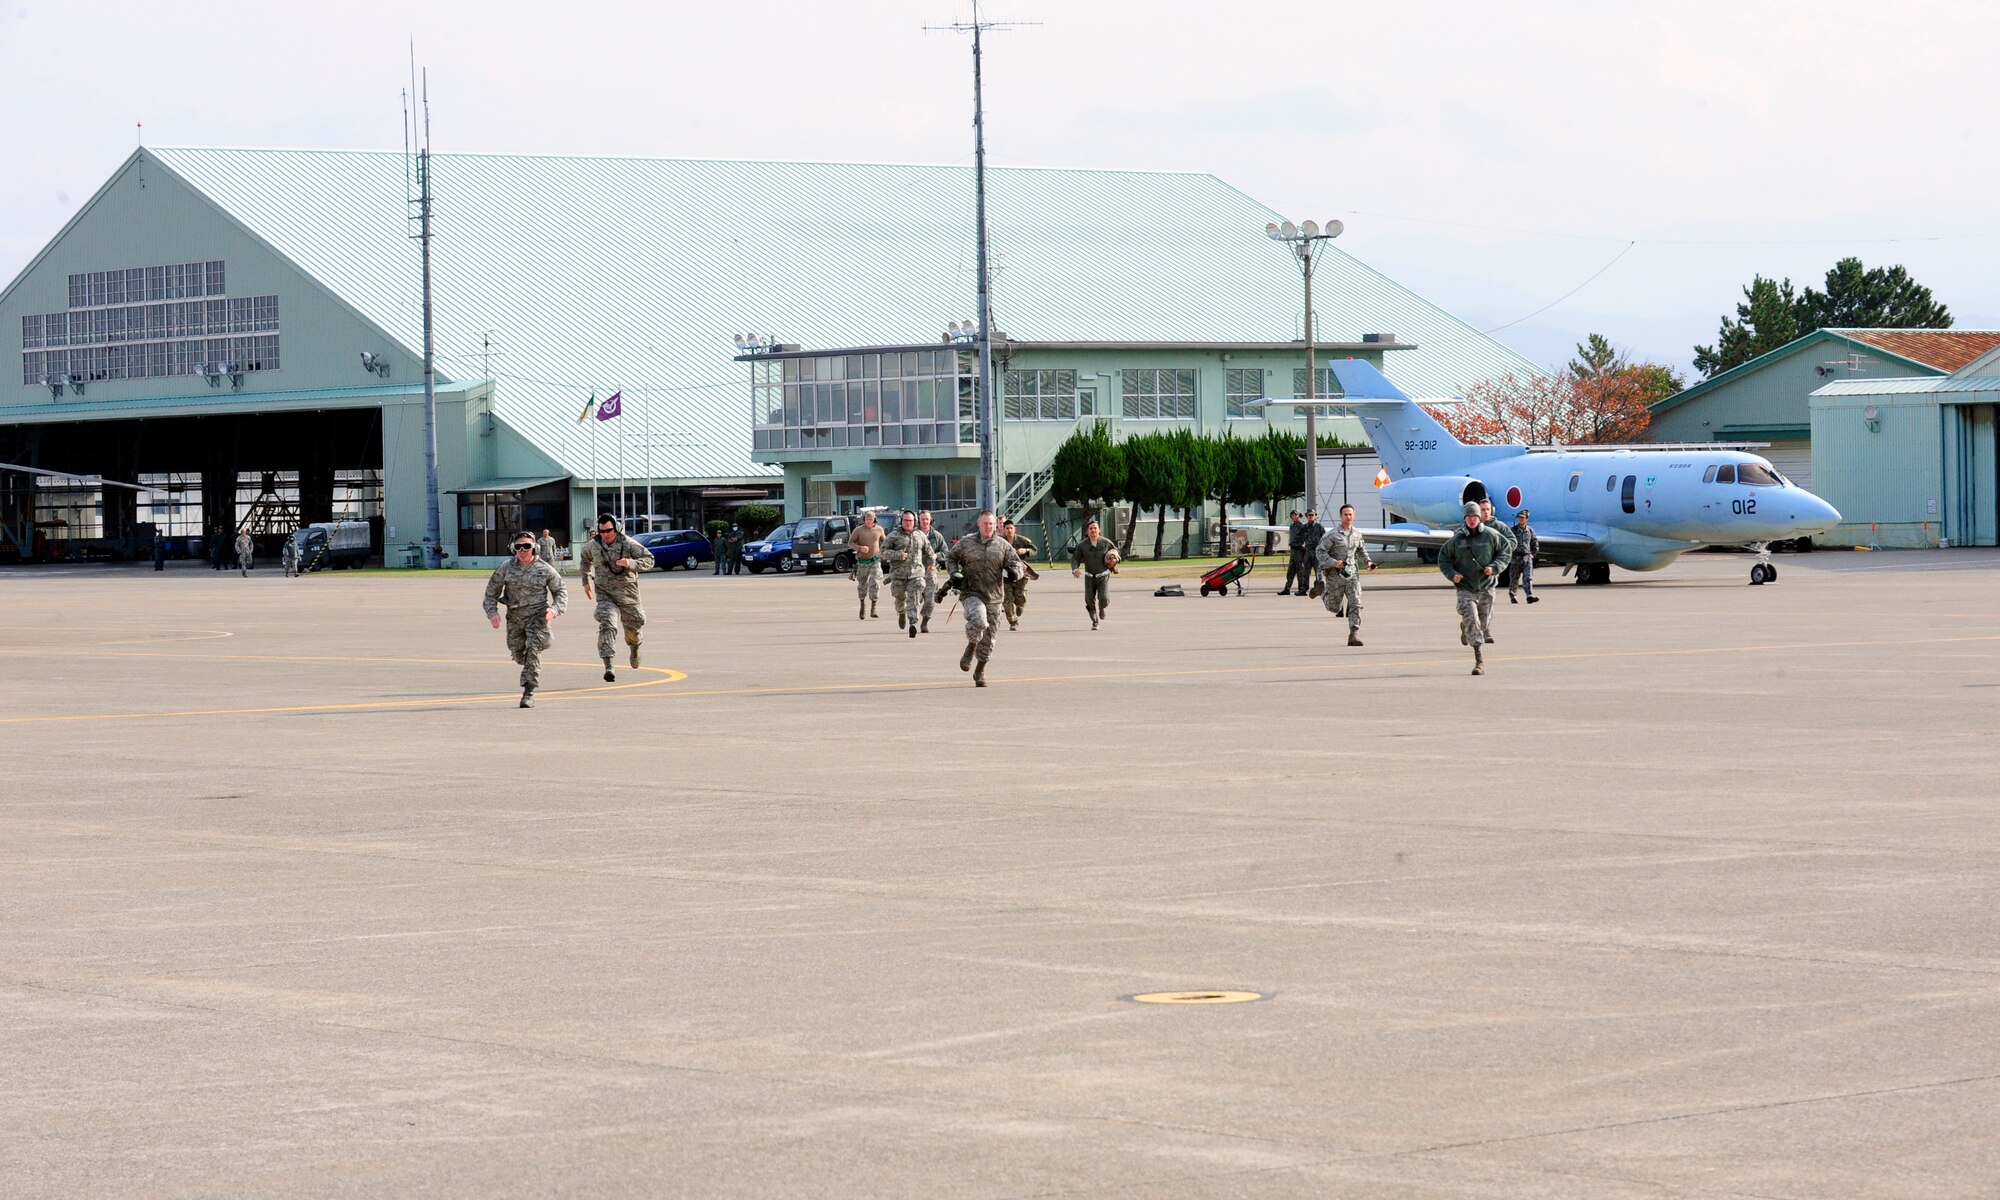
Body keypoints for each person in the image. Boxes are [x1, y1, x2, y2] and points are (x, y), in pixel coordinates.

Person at [483, 532, 567, 708]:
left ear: (535, 548)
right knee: (519, 655)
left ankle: (528, 692)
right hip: (515, 618)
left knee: (533, 650)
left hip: (538, 617)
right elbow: (491, 591)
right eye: (518, 547)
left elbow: (560, 591)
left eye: (526, 546)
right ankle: (533, 653)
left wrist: (554, 609)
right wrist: (492, 612)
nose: (522, 551)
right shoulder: (506, 567)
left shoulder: (545, 569)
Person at [942, 509, 1024, 687]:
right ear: (979, 524)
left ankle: (980, 670)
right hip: (971, 592)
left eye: (991, 524)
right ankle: (971, 646)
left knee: (990, 637)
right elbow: (950, 557)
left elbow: (1017, 563)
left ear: (996, 526)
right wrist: (954, 573)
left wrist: (1014, 572)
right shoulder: (967, 542)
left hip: (994, 596)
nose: (988, 527)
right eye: (985, 524)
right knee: (979, 621)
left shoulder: (1002, 545)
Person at [578, 513, 654, 682]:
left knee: (635, 626)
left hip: (628, 593)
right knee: (608, 624)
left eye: (609, 530)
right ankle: (609, 665)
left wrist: (631, 563)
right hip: (605, 594)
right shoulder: (592, 546)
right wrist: (585, 581)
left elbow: (650, 559)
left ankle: (634, 647)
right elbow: (584, 560)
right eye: (602, 531)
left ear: (617, 529)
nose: (605, 534)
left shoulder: (628, 543)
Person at [1439, 501, 1507, 675]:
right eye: (1468, 516)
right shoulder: (1457, 540)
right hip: (1466, 587)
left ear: (1479, 517)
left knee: (1483, 622)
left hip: (1486, 587)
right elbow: (1444, 558)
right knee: (1473, 621)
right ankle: (1479, 661)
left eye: (1474, 516)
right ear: (1464, 518)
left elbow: (1505, 550)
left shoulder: (1491, 535)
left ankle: (1465, 627)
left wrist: (1495, 567)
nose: (1471, 519)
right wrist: (1452, 574)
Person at [1315, 504, 1376, 646]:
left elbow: (1361, 550)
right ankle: (1321, 591)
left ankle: (1353, 634)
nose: (1348, 517)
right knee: (1334, 608)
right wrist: (1333, 562)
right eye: (1345, 514)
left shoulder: (1357, 534)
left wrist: (1368, 562)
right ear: (1340, 516)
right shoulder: (1332, 535)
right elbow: (1320, 552)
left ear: (1354, 516)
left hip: (1351, 575)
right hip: (1334, 575)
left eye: (1350, 514)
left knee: (1356, 602)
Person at [882, 510, 936, 638]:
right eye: (905, 520)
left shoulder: (920, 535)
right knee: (899, 599)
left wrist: (931, 565)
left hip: (916, 574)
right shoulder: (893, 536)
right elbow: (882, 552)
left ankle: (913, 622)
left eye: (910, 521)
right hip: (898, 575)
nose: (908, 523)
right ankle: (901, 612)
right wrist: (897, 555)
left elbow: (930, 551)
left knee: (914, 598)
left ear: (915, 522)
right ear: (901, 521)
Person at [1070, 518, 1119, 630]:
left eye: (1095, 528)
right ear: (1087, 531)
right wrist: (1075, 569)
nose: (1093, 530)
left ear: (1099, 530)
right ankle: (1095, 622)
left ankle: (1102, 608)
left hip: (1103, 576)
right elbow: (1075, 558)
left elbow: (1116, 552)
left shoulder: (1106, 542)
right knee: (1089, 601)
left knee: (1104, 598)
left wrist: (1115, 559)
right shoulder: (1082, 545)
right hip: (1089, 577)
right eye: (1091, 529)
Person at [1478, 499, 1514, 643]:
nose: (1486, 512)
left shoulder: (1499, 527)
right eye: (1482, 509)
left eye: (1488, 509)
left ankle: (1485, 630)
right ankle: (1469, 624)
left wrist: (1499, 554)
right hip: (1471, 574)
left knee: (1488, 602)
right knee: (1471, 605)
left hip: (1490, 573)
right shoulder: (1471, 526)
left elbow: (1512, 541)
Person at [846, 510, 885, 619]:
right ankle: (862, 604)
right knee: (862, 585)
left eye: (870, 519)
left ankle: (873, 607)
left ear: (874, 520)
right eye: (867, 519)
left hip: (875, 560)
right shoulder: (858, 530)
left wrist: (884, 552)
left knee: (875, 582)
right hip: (863, 562)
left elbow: (885, 542)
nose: (868, 521)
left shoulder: (879, 529)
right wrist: (860, 548)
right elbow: (850, 543)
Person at [1000, 518, 1037, 630]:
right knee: (1008, 599)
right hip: (1006, 573)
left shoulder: (1022, 540)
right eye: (1007, 528)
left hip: (1021, 572)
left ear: (1014, 529)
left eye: (1011, 528)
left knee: (1019, 595)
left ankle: (1020, 605)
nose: (1009, 530)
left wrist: (1025, 550)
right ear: (1004, 529)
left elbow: (1034, 550)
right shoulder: (999, 541)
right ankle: (1013, 622)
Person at [916, 510, 949, 633]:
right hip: (915, 570)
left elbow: (945, 552)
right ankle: (912, 618)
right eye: (922, 519)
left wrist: (936, 555)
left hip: (930, 569)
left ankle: (925, 621)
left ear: (931, 520)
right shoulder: (913, 534)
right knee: (914, 598)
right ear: (919, 521)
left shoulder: (936, 536)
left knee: (930, 598)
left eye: (927, 519)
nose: (925, 521)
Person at [1509, 509, 1541, 604]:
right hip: (1516, 558)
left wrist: (1533, 554)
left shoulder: (1530, 531)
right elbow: (1508, 542)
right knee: (1514, 578)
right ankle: (1513, 595)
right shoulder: (1513, 530)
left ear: (1526, 519)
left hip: (1527, 558)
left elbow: (1535, 542)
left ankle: (1529, 596)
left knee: (1528, 577)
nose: (1521, 519)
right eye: (1519, 518)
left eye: (1523, 518)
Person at [1295, 510, 1325, 598]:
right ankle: (1304, 589)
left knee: (1318, 571)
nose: (1311, 517)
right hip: (1308, 551)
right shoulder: (1304, 527)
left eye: (1312, 515)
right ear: (1307, 516)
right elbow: (1298, 537)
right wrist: (1300, 545)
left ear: (1315, 516)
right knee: (1305, 571)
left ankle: (1319, 589)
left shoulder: (1319, 527)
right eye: (1309, 515)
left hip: (1317, 551)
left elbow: (1325, 538)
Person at [1279, 511, 1305, 595]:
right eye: (1292, 515)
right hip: (1293, 550)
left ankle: (1301, 588)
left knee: (1300, 570)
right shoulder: (1292, 526)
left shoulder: (1302, 526)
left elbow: (1305, 538)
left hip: (1299, 550)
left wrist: (1301, 546)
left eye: (1295, 515)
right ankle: (1287, 588)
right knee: (1290, 570)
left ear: (1299, 516)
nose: (1294, 516)